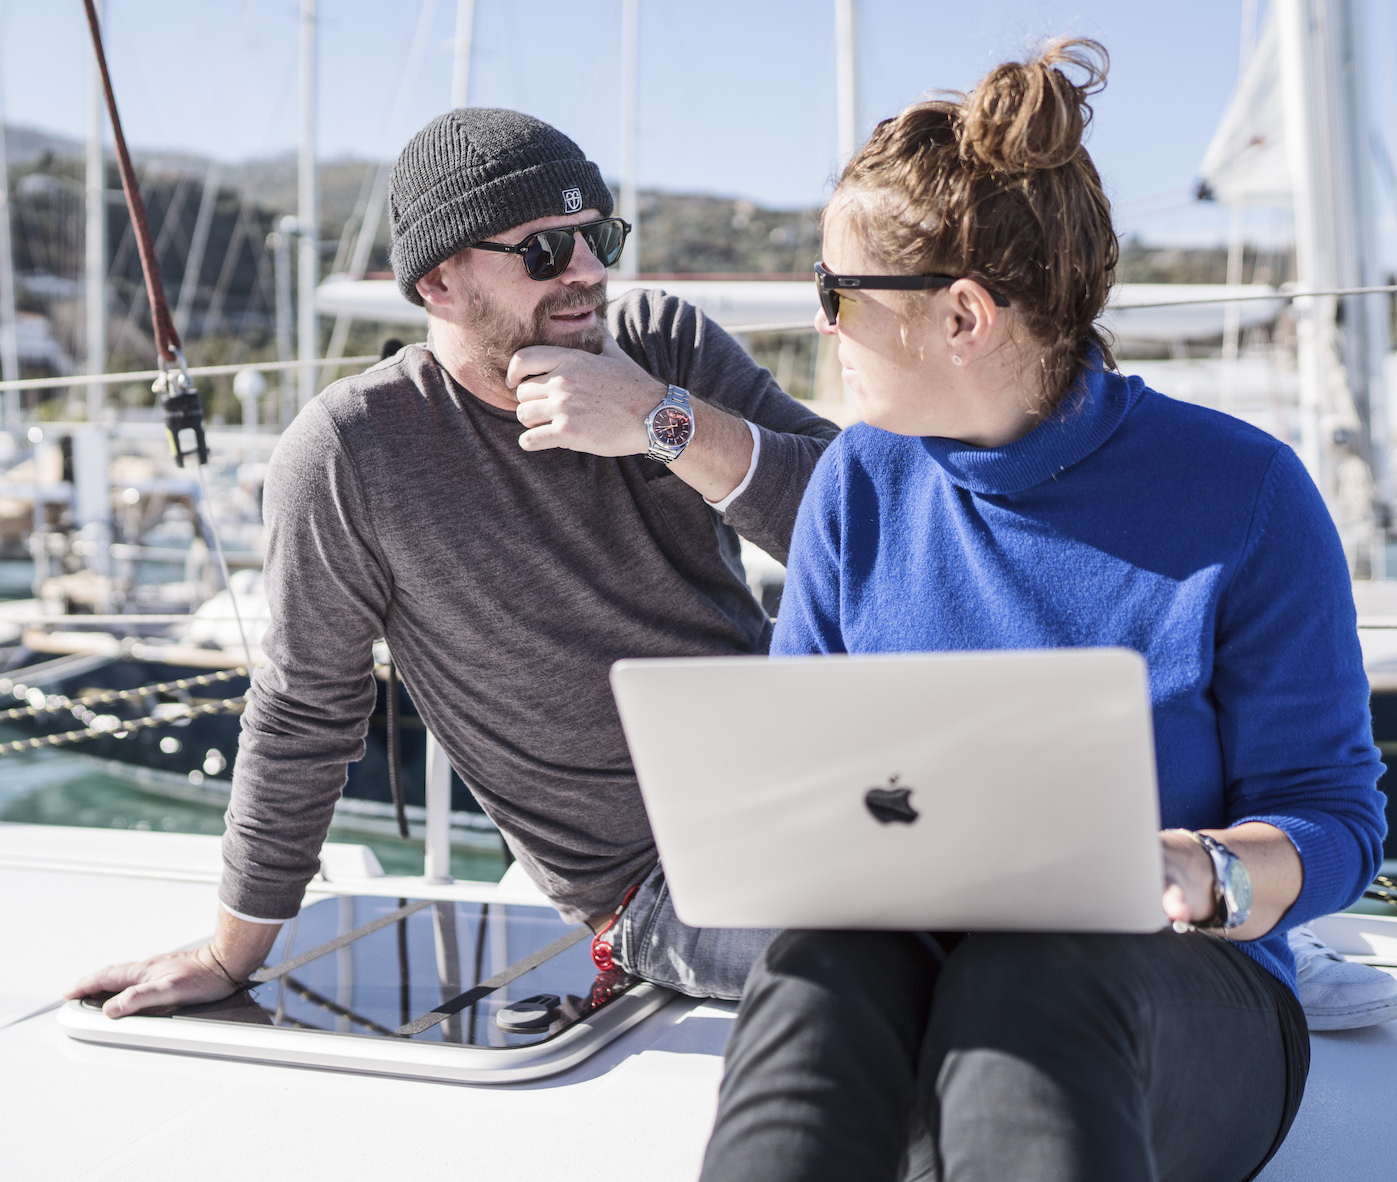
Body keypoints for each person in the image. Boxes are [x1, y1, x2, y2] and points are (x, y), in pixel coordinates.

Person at [697, 42, 1389, 1182]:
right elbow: (803, 793)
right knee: (816, 966)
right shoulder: (856, 485)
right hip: (911, 968)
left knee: (1038, 968)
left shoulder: (1244, 495)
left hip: (1170, 994)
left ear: (960, 314)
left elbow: (1332, 816)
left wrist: (1204, 868)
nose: (820, 324)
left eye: (835, 291)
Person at [67, 107, 836, 1016]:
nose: (588, 270)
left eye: (599, 237)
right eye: (545, 251)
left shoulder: (662, 346)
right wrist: (232, 955)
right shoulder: (353, 451)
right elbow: (306, 709)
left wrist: (658, 420)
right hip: (660, 882)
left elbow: (858, 527)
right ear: (437, 283)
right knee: (905, 970)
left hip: (815, 792)